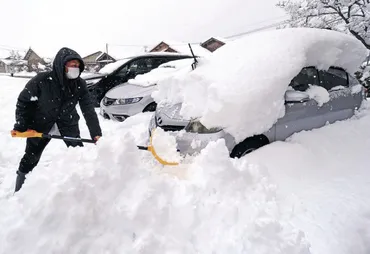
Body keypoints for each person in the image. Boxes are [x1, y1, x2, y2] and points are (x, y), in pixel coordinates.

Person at [11, 47, 102, 192]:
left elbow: (88, 110)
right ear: (62, 65)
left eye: (77, 66)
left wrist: (96, 133)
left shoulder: (80, 84)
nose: (75, 68)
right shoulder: (42, 80)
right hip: (40, 124)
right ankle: (20, 189)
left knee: (77, 157)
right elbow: (24, 101)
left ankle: (81, 191)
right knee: (30, 158)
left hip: (68, 123)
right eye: (72, 65)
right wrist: (22, 124)